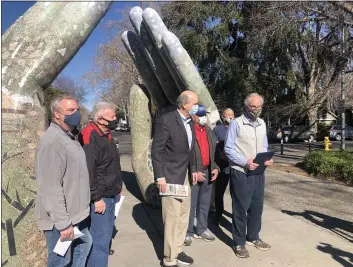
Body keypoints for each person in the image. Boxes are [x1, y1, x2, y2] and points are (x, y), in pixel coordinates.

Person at [35, 95, 92, 267]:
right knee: (61, 261)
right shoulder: (52, 141)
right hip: (60, 220)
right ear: (57, 114)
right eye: (70, 110)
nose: (75, 113)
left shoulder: (68, 137)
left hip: (76, 215)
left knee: (84, 245)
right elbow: (50, 187)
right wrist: (63, 223)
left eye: (76, 109)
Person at [152, 90, 199, 267]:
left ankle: (178, 251)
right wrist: (160, 176)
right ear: (184, 104)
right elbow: (157, 150)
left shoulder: (190, 122)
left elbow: (191, 149)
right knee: (171, 219)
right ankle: (169, 259)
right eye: (195, 103)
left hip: (185, 176)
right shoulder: (167, 120)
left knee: (182, 217)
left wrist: (193, 169)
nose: (197, 107)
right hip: (170, 176)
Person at [224, 93, 273, 258]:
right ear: (246, 106)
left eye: (259, 106)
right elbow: (228, 149)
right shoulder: (236, 124)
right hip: (241, 172)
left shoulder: (262, 123)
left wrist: (267, 158)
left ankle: (253, 236)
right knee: (240, 208)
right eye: (253, 107)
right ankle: (239, 242)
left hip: (258, 172)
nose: (256, 110)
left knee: (257, 207)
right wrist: (244, 161)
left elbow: (264, 145)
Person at [79, 102, 123, 267]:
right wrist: (96, 197)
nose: (115, 119)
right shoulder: (89, 135)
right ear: (100, 119)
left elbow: (110, 165)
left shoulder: (107, 134)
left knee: (105, 238)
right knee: (99, 241)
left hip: (111, 194)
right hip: (101, 198)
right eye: (112, 116)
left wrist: (118, 188)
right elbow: (88, 171)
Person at [184, 105, 219, 246]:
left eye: (205, 114)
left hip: (207, 171)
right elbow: (186, 154)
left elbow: (214, 152)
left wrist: (215, 167)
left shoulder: (209, 131)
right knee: (190, 205)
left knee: (204, 204)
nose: (204, 117)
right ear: (193, 116)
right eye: (200, 115)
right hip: (192, 173)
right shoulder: (188, 130)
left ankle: (202, 229)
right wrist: (194, 170)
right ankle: (187, 231)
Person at [213, 108, 235, 225]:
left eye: (232, 115)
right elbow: (214, 147)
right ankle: (218, 214)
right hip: (222, 166)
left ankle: (237, 215)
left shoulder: (237, 128)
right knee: (219, 192)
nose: (230, 117)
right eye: (227, 115)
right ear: (223, 116)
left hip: (236, 166)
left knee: (236, 193)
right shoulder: (218, 129)